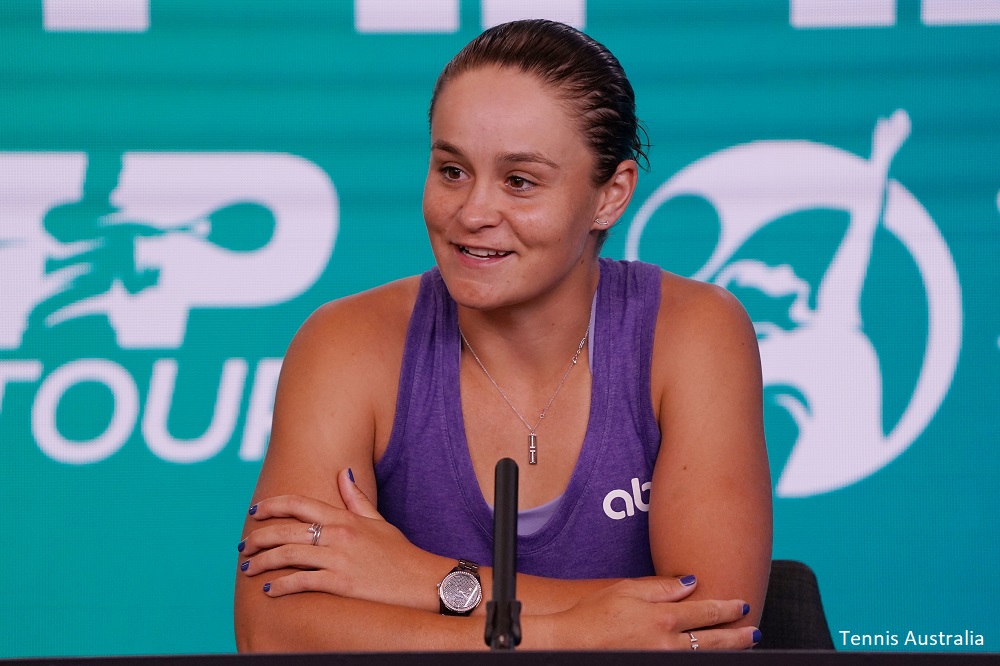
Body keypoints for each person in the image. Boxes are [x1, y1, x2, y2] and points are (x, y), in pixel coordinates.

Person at [234, 19, 771, 652]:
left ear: (611, 195)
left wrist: (423, 578)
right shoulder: (345, 343)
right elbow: (273, 634)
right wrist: (577, 632)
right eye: (452, 171)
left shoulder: (695, 332)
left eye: (520, 181)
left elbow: (712, 623)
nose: (473, 212)